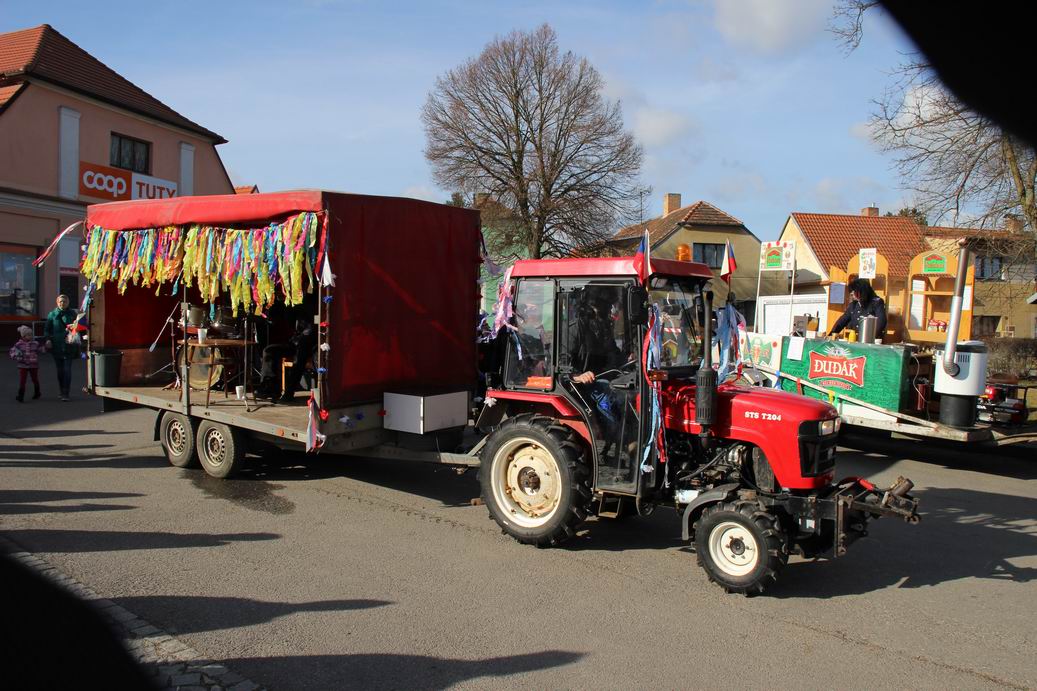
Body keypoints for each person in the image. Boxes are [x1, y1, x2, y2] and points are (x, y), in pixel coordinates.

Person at [259, 315, 317, 403]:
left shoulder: (310, 316)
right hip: (295, 342)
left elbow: (309, 333)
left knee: (298, 360)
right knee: (269, 350)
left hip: (308, 344)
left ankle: (288, 393)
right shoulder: (293, 313)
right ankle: (270, 387)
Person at [821, 277, 887, 342]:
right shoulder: (853, 305)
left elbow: (881, 322)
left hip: (871, 341)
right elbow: (843, 320)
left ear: (862, 291)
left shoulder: (876, 302)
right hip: (856, 340)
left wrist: (869, 338)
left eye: (854, 291)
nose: (852, 293)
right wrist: (832, 334)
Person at [44, 294, 80, 401]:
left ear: (68, 303)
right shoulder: (52, 314)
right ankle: (61, 390)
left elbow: (78, 328)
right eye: (60, 301)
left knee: (67, 370)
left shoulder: (73, 314)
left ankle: (66, 393)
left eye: (64, 301)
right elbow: (47, 329)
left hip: (69, 346)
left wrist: (74, 329)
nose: (62, 303)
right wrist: (48, 339)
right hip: (56, 346)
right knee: (60, 371)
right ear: (57, 302)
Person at [9, 325, 42, 402]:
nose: (30, 336)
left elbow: (40, 349)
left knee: (35, 379)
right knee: (22, 380)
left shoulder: (35, 343)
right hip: (22, 365)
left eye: (31, 334)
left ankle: (37, 392)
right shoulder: (18, 344)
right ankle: (21, 395)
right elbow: (12, 352)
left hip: (33, 365)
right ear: (23, 336)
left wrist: (46, 348)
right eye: (28, 335)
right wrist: (15, 356)